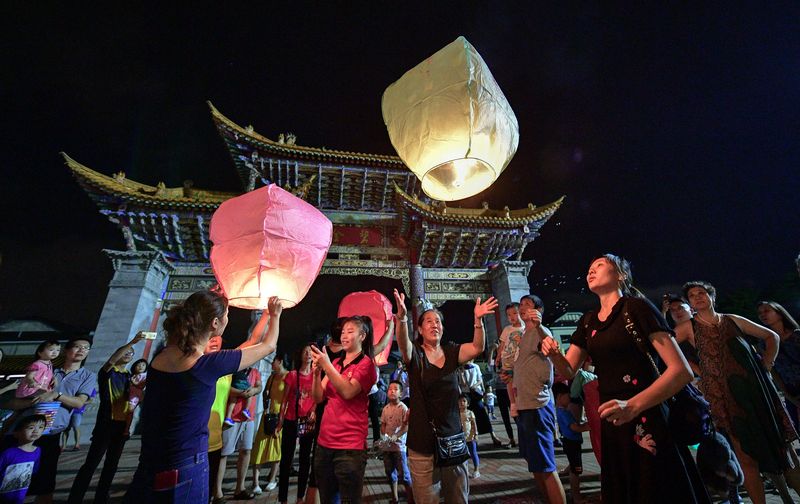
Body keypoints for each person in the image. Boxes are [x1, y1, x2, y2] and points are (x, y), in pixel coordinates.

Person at [542, 254, 710, 504]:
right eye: (589, 268)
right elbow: (568, 371)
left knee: (657, 486)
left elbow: (681, 370)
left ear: (620, 275)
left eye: (599, 266)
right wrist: (554, 355)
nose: (591, 271)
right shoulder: (588, 321)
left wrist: (633, 405)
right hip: (612, 415)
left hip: (646, 410)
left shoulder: (636, 308)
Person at [123, 290, 283, 503]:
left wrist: (263, 315)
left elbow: (252, 340)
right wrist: (275, 316)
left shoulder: (162, 356)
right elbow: (267, 346)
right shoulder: (207, 364)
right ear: (215, 324)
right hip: (186, 463)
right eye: (226, 315)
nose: (228, 318)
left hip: (151, 461)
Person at [675, 282, 799, 504]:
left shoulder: (732, 319)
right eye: (692, 296)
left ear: (712, 296)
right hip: (723, 398)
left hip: (756, 392)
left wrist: (766, 366)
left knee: (783, 452)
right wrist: (696, 371)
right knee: (746, 458)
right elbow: (665, 348)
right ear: (690, 304)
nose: (697, 297)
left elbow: (772, 337)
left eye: (702, 293)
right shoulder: (688, 327)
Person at [394, 288, 498, 504]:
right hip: (422, 443)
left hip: (452, 440)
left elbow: (477, 347)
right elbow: (404, 345)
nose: (434, 324)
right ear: (420, 330)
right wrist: (402, 319)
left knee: (458, 498)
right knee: (427, 500)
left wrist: (477, 320)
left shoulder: (452, 352)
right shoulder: (416, 356)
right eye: (429, 321)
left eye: (438, 321)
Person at [310, 315, 379, 504]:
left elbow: (348, 391)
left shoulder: (366, 365)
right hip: (324, 445)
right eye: (342, 332)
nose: (344, 336)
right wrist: (317, 373)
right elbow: (318, 397)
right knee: (328, 500)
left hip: (350, 449)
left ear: (362, 336)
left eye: (350, 331)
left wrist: (327, 366)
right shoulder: (337, 364)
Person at [68, 333, 144, 504]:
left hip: (122, 426)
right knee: (91, 464)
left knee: (111, 465)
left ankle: (101, 497)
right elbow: (110, 361)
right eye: (125, 352)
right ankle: (75, 498)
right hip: (106, 423)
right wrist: (132, 342)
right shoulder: (108, 374)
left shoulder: (130, 379)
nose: (128, 354)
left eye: (131, 353)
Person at [514, 294, 565, 504]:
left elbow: (550, 346)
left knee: (546, 466)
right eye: (521, 304)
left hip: (537, 404)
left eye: (528, 304)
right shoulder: (524, 335)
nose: (522, 307)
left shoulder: (540, 331)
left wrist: (539, 326)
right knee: (534, 462)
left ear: (539, 310)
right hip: (524, 405)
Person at [277, 344, 316, 504]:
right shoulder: (292, 375)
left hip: (307, 422)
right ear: (300, 356)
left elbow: (316, 397)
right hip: (291, 420)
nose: (308, 354)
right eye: (305, 352)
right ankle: (283, 499)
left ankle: (300, 497)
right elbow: (284, 399)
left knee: (305, 460)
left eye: (311, 352)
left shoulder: (316, 375)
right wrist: (280, 421)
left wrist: (314, 409)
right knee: (286, 460)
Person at [220, 362, 262, 500]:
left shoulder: (255, 372)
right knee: (224, 453)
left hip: (248, 419)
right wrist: (242, 393)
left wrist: (254, 391)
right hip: (231, 418)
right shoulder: (232, 369)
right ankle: (217, 492)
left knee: (246, 451)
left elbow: (259, 386)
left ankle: (240, 487)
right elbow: (225, 388)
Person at [757, 301, 800, 431]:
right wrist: (788, 396)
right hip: (792, 391)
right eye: (759, 313)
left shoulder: (797, 335)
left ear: (780, 313)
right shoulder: (764, 344)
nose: (762, 315)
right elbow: (773, 372)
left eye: (767, 311)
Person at [251, 354, 288, 493]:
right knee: (259, 447)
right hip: (268, 416)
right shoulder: (272, 377)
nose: (272, 363)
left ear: (281, 361)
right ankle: (255, 482)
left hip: (281, 417)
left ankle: (272, 479)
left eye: (274, 361)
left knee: (276, 449)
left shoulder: (288, 376)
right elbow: (265, 393)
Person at [553, 382, 589, 504]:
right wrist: (588, 427)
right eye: (567, 395)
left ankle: (570, 468)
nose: (570, 398)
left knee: (573, 465)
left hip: (569, 442)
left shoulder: (561, 410)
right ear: (559, 397)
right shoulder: (564, 412)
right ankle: (576, 497)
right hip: (572, 443)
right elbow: (575, 428)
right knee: (576, 472)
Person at [494, 303, 523, 447]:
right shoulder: (507, 329)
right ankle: (513, 403)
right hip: (508, 360)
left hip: (521, 362)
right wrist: (498, 357)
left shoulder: (526, 329)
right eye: (508, 315)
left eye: (514, 313)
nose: (511, 317)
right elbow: (502, 345)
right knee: (509, 382)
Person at [380, 380, 412, 504]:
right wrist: (385, 435)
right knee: (390, 473)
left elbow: (406, 426)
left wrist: (396, 436)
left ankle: (411, 499)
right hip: (387, 447)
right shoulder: (385, 408)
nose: (392, 391)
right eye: (389, 389)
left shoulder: (403, 408)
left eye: (395, 389)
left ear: (401, 393)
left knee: (404, 475)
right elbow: (383, 424)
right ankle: (395, 498)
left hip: (399, 447)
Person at [0, 414, 45, 504]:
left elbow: (33, 471)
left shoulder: (37, 451)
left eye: (40, 427)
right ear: (16, 433)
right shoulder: (9, 453)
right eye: (31, 427)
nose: (36, 431)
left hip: (20, 494)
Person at [458, 394, 480, 479]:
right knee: (464, 454)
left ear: (468, 403)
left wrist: (476, 434)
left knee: (473, 453)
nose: (462, 403)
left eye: (464, 401)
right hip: (461, 438)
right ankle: (465, 470)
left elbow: (474, 424)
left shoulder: (470, 413)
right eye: (460, 401)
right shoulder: (457, 414)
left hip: (470, 437)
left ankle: (476, 470)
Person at [124, 358, 147, 436]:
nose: (141, 367)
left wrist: (134, 383)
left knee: (129, 412)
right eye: (139, 365)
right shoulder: (132, 375)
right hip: (128, 395)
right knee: (126, 413)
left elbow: (141, 385)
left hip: (135, 396)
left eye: (143, 365)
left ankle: (126, 430)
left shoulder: (144, 375)